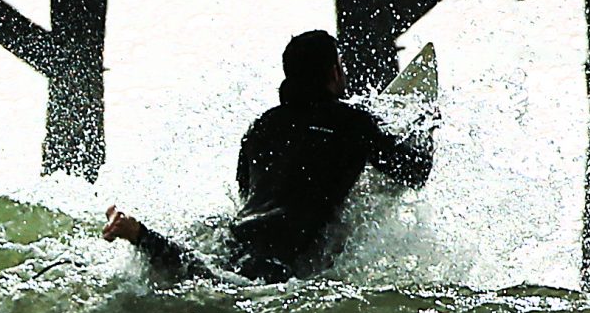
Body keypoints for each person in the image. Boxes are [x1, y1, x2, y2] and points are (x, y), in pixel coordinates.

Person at [103, 29, 435, 282]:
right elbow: (415, 172)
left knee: (213, 276)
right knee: (240, 283)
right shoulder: (352, 121)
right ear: (334, 72)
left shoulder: (261, 127)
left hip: (241, 238)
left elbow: (248, 192)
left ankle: (142, 236)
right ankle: (139, 235)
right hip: (285, 257)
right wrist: (426, 126)